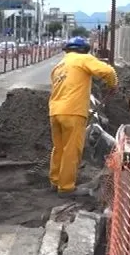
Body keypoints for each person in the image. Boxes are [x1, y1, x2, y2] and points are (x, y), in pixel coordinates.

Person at [49, 36, 118, 198]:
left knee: (59, 148)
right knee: (72, 150)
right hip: (73, 111)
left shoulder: (60, 65)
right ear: (83, 50)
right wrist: (113, 84)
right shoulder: (82, 58)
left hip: (55, 111)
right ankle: (66, 188)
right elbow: (108, 71)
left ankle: (55, 181)